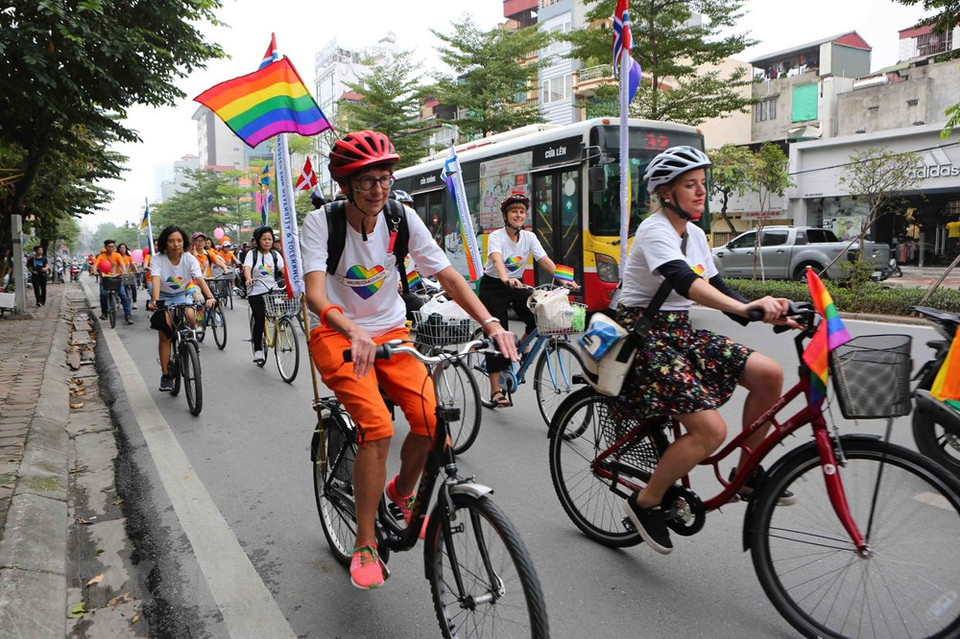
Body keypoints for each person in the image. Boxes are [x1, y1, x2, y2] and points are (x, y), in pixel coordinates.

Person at [302, 130, 518, 590]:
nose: (378, 189)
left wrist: (492, 324)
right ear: (346, 186)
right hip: (339, 334)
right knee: (377, 426)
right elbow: (315, 293)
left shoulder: (401, 217)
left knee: (432, 419)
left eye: (384, 178)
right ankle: (364, 541)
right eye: (367, 182)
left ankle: (401, 493)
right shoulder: (322, 223)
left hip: (394, 334)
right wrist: (353, 328)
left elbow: (449, 276)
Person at [617, 146, 798, 555]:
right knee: (711, 430)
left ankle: (747, 472)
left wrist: (767, 313)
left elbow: (717, 287)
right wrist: (739, 307)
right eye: (689, 185)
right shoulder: (654, 229)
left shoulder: (695, 234)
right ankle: (645, 501)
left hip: (679, 331)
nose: (700, 192)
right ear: (666, 192)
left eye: (702, 184)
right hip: (642, 334)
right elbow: (682, 280)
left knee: (769, 373)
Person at [476, 193, 569, 407]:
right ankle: (495, 391)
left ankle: (522, 343)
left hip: (517, 284)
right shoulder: (496, 237)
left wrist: (566, 281)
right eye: (514, 211)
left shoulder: (530, 237)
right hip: (494, 287)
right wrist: (505, 278)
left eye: (521, 211)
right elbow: (497, 260)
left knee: (540, 317)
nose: (518, 215)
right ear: (505, 216)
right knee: (497, 337)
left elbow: (545, 260)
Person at [145, 226, 216, 392]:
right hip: (163, 296)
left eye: (179, 240)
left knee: (191, 316)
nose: (175, 244)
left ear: (184, 242)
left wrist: (210, 296)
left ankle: (190, 342)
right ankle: (166, 374)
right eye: (171, 241)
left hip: (183, 295)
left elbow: (199, 279)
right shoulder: (157, 259)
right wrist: (155, 300)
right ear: (165, 243)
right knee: (165, 334)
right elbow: (155, 279)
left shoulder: (189, 258)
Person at [243, 225, 283, 364]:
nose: (267, 241)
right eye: (264, 239)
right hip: (256, 290)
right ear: (258, 240)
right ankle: (258, 349)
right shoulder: (252, 254)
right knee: (259, 318)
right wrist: (248, 278)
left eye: (270, 239)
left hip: (272, 289)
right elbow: (247, 268)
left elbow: (283, 269)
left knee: (282, 312)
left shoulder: (275, 255)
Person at [97, 239, 133, 324]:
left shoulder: (117, 255)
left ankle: (128, 315)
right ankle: (104, 313)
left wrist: (124, 271)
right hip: (105, 279)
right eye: (109, 247)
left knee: (123, 295)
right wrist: (94, 270)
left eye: (112, 246)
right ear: (105, 247)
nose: (111, 248)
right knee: (103, 294)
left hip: (117, 278)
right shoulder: (101, 256)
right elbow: (95, 265)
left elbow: (122, 264)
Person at [116, 243, 139, 309]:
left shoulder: (129, 257)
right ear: (118, 249)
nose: (122, 249)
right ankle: (120, 301)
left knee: (133, 287)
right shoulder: (117, 257)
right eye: (121, 248)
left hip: (129, 275)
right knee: (121, 290)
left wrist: (136, 270)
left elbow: (133, 264)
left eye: (124, 248)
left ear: (126, 249)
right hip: (120, 276)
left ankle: (134, 302)